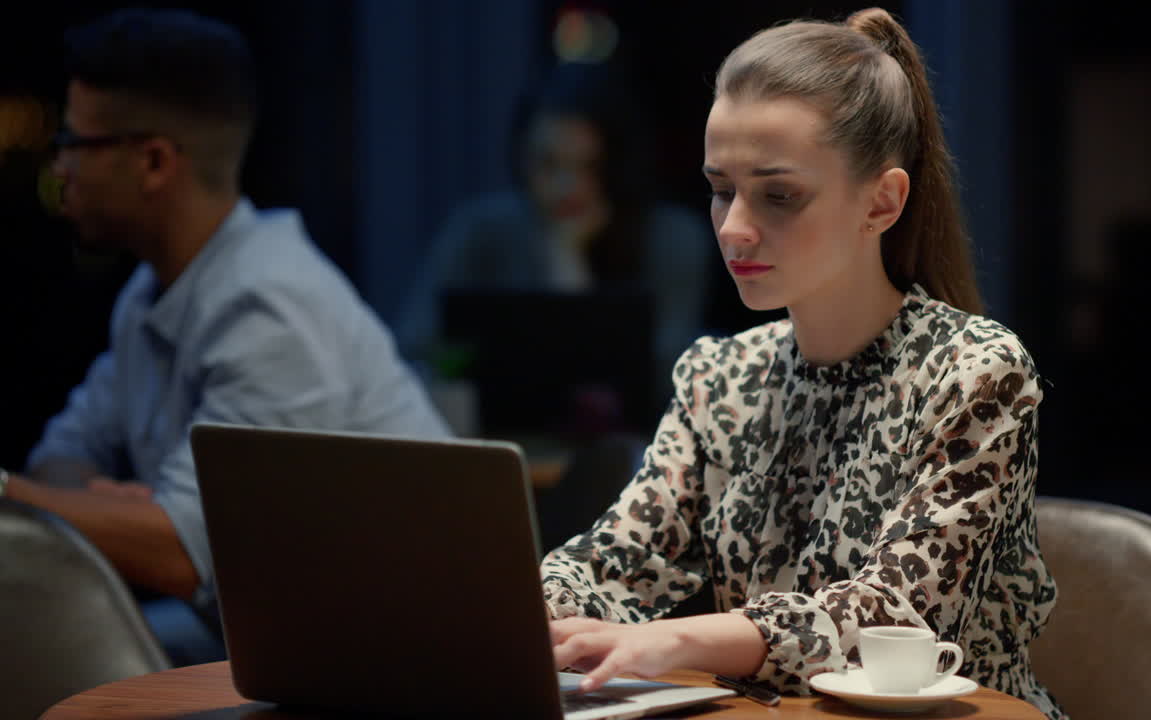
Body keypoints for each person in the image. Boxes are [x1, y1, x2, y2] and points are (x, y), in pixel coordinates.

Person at [540, 8, 1066, 719]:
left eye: (778, 195)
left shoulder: (974, 372)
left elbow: (891, 620)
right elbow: (615, 564)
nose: (733, 226)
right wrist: (527, 610)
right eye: (721, 188)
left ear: (882, 202)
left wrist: (676, 641)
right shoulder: (719, 377)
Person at [0, 8, 450, 664]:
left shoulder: (268, 303)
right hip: (279, 643)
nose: (60, 164)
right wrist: (98, 502)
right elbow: (61, 456)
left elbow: (185, 552)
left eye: (74, 141)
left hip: (400, 657)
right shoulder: (152, 294)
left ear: (154, 162)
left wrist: (8, 493)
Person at [393, 61, 712, 421]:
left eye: (588, 166)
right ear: (521, 157)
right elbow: (416, 347)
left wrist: (568, 263)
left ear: (618, 164)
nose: (566, 186)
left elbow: (667, 378)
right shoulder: (480, 231)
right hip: (500, 440)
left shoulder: (673, 238)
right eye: (547, 163)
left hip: (639, 452)